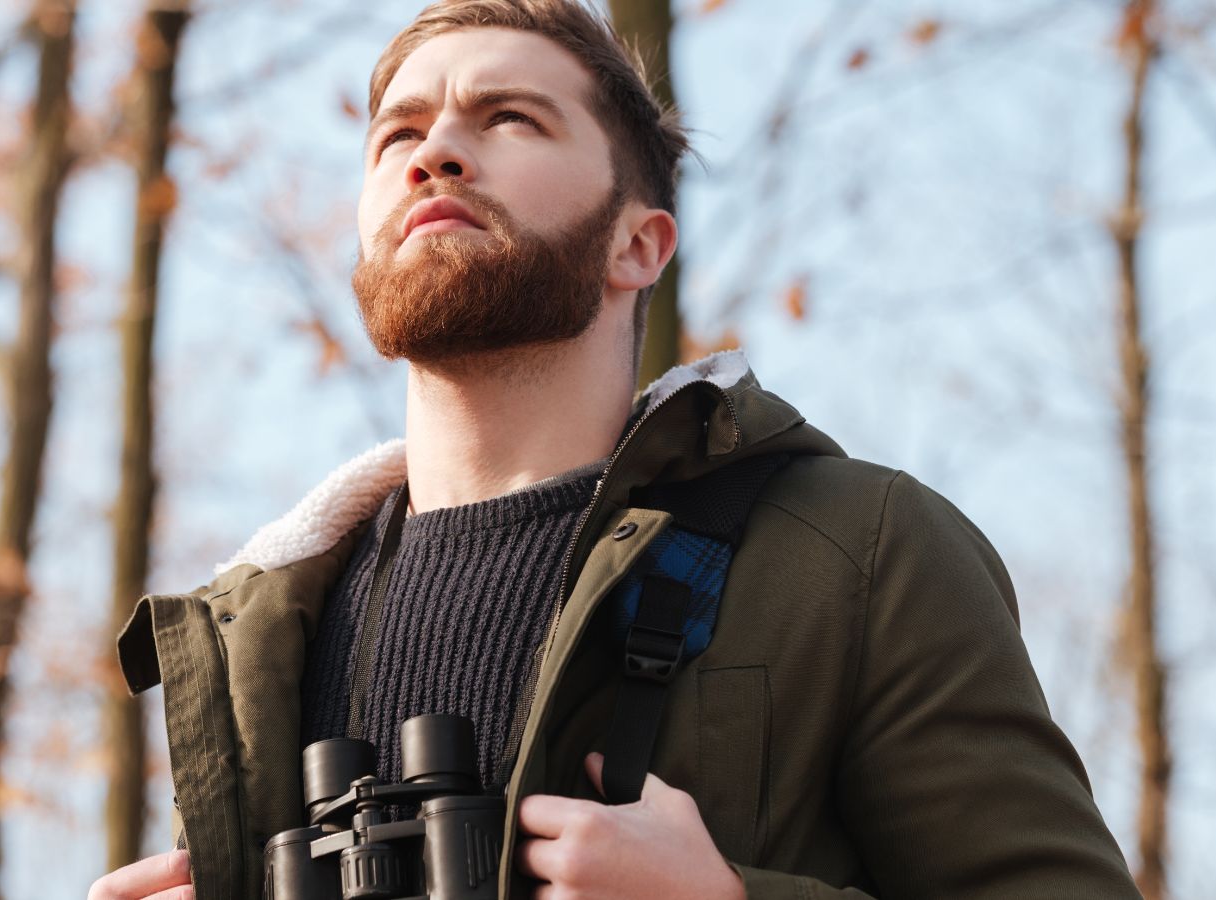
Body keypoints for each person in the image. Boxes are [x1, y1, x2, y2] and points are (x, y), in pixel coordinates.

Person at [89, 1, 1141, 898]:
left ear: (638, 244)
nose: (434, 151)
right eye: (395, 133)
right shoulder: (262, 630)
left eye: (509, 118)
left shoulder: (856, 549)